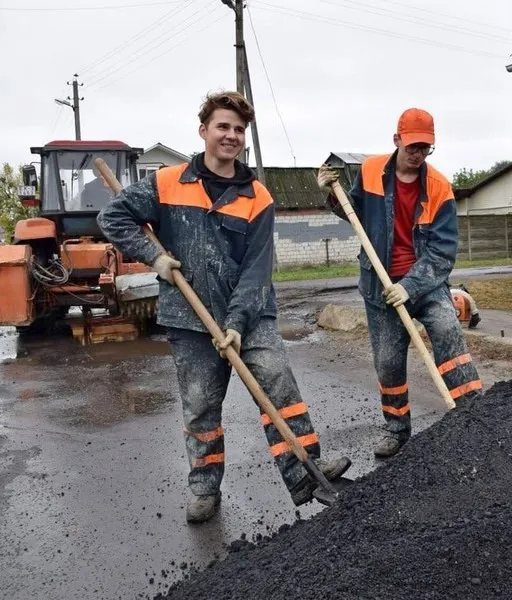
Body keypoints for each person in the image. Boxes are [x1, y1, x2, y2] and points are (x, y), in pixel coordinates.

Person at [97, 91, 350, 523]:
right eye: (223, 127)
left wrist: (235, 323)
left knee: (278, 386)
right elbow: (112, 218)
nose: (231, 135)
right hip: (188, 317)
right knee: (200, 406)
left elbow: (256, 270)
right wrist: (153, 256)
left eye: (238, 129)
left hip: (250, 315)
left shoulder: (258, 197)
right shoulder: (167, 182)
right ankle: (204, 488)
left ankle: (305, 470)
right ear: (204, 131)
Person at [318, 107, 484, 459]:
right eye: (412, 146)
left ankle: (473, 414)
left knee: (446, 330)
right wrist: (332, 193)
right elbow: (353, 213)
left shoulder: (439, 187)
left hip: (424, 283)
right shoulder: (370, 171)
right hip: (380, 283)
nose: (418, 153)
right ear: (397, 139)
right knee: (389, 361)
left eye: (425, 147)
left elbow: (442, 253)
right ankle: (396, 429)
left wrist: (410, 286)